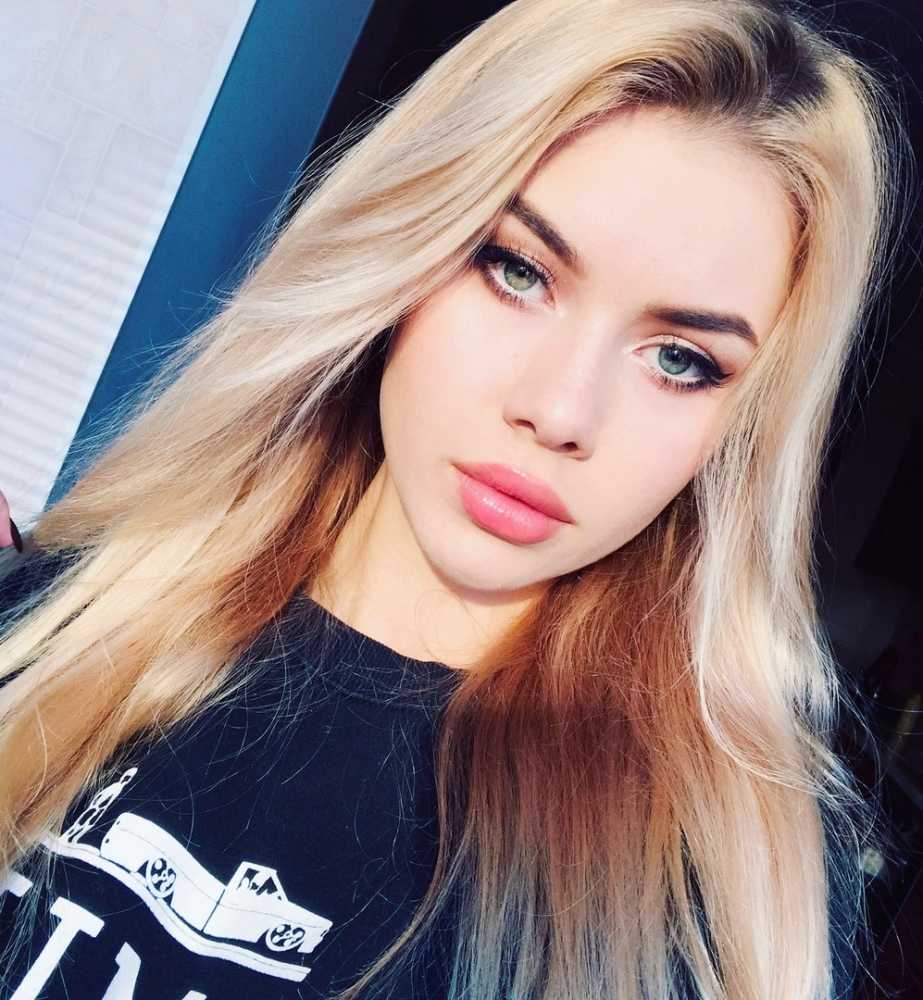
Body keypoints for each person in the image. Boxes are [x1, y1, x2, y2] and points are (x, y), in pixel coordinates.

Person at [0, 0, 911, 996]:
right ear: (403, 244)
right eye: (516, 270)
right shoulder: (58, 625)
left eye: (679, 359)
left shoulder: (727, 889)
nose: (558, 411)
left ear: (746, 425)